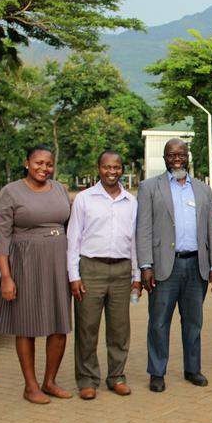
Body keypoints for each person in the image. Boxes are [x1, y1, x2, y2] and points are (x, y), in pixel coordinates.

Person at [137, 138, 212, 393]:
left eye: (181, 154)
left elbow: (211, 230)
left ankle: (192, 369)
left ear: (188, 157)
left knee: (194, 322)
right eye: (172, 154)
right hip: (165, 267)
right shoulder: (149, 187)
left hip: (196, 266)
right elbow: (143, 229)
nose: (177, 158)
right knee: (159, 322)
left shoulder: (202, 189)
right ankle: (157, 372)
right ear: (164, 158)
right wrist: (145, 265)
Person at [0, 144, 72, 404]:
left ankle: (50, 381)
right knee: (26, 325)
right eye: (38, 163)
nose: (44, 168)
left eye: (48, 164)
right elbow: (2, 237)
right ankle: (30, 386)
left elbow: (71, 226)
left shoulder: (60, 189)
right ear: (27, 163)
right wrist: (6, 276)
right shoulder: (11, 192)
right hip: (25, 263)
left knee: (59, 323)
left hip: (57, 262)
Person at [67, 150, 141, 400]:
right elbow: (73, 239)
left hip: (122, 270)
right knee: (87, 328)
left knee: (119, 329)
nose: (112, 171)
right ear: (98, 168)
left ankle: (117, 377)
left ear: (122, 169)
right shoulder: (84, 199)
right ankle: (87, 380)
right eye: (107, 167)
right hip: (91, 269)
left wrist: (137, 275)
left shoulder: (131, 202)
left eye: (117, 167)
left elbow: (134, 241)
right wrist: (73, 276)